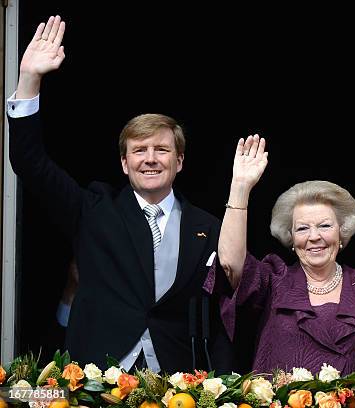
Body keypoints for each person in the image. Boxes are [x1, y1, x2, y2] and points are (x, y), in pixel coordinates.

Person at [7, 16, 232, 373]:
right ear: (125, 164)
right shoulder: (94, 210)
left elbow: (221, 311)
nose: (150, 159)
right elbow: (29, 161)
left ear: (180, 161)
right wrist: (29, 79)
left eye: (161, 149)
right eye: (139, 150)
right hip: (96, 375)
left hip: (177, 382)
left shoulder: (207, 226)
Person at [214, 135, 355, 375]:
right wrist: (240, 188)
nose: (314, 237)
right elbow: (229, 263)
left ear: (342, 232)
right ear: (291, 238)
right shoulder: (274, 279)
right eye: (302, 228)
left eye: (324, 226)